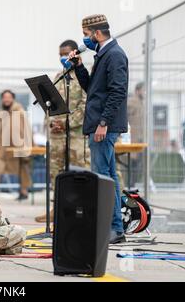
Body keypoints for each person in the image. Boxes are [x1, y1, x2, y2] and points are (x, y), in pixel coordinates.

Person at [68, 14, 129, 244]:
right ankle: (114, 227)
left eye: (86, 35)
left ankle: (112, 228)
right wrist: (79, 67)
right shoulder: (103, 54)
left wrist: (103, 123)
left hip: (104, 126)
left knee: (102, 178)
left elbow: (117, 92)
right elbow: (93, 90)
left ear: (96, 33)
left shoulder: (114, 55)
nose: (84, 40)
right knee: (108, 177)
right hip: (99, 124)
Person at [35, 40, 90, 223]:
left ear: (74, 53)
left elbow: (86, 104)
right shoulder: (59, 76)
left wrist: (67, 123)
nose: (62, 57)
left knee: (79, 172)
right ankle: (56, 209)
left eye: (66, 53)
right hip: (57, 136)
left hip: (76, 135)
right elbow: (49, 103)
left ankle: (81, 210)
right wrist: (52, 123)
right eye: (60, 54)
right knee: (56, 174)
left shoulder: (83, 76)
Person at [0, 90, 33, 200]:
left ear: (13, 98)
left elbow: (26, 128)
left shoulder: (19, 111)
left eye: (9, 97)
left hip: (18, 146)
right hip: (3, 149)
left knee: (23, 168)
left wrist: (29, 144)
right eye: (4, 97)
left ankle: (24, 191)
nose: (6, 99)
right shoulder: (1, 112)